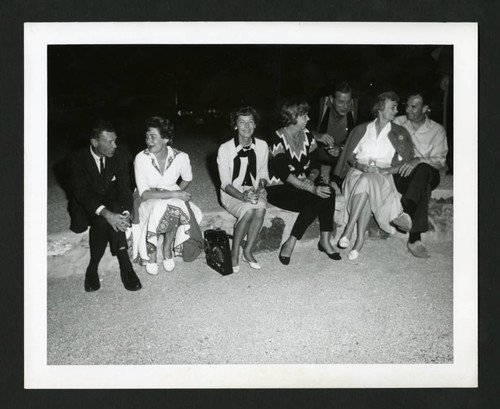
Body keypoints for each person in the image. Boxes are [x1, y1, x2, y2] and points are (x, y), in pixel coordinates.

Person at [334, 91, 414, 260]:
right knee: (364, 181)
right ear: (380, 107)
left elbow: (405, 164)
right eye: (392, 107)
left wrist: (384, 171)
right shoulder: (362, 129)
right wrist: (358, 165)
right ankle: (359, 241)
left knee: (367, 180)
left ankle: (349, 230)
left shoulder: (399, 133)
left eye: (396, 107)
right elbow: (349, 155)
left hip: (382, 175)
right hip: (357, 171)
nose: (396, 111)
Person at [68, 120, 142, 292]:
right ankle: (112, 265)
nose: (115, 145)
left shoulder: (120, 156)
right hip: (87, 206)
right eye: (110, 142)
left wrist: (125, 212)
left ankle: (107, 267)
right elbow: (82, 193)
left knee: (116, 212)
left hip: (113, 203)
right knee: (102, 221)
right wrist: (107, 214)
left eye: (115, 140)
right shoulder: (76, 159)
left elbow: (124, 188)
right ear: (95, 143)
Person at [266, 100, 341, 265]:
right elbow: (283, 172)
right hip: (278, 187)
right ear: (293, 117)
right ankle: (292, 241)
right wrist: (310, 188)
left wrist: (310, 179)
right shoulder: (278, 137)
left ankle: (325, 240)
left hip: (301, 184)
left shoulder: (307, 135)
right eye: (304, 115)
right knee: (317, 196)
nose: (308, 119)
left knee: (328, 191)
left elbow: (315, 166)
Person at [132, 116, 203, 274]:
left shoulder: (181, 157)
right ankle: (150, 254)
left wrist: (176, 192)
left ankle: (166, 249)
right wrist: (175, 193)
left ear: (166, 139)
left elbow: (187, 179)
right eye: (147, 136)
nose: (148, 141)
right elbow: (144, 193)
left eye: (153, 136)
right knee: (164, 206)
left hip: (171, 195)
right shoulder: (141, 158)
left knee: (175, 206)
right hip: (148, 197)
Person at [393, 92, 448, 258]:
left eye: (413, 106)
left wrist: (418, 160)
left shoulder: (437, 130)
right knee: (421, 185)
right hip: (403, 175)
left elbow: (439, 161)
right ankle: (414, 238)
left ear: (425, 109)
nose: (408, 110)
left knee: (423, 169)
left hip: (430, 174)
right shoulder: (398, 122)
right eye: (407, 105)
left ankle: (408, 212)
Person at [217, 107, 269, 273]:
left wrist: (260, 187)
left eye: (250, 122)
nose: (247, 126)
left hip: (253, 190)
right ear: (235, 126)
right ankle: (234, 253)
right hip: (231, 193)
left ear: (255, 125)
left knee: (260, 208)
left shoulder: (262, 145)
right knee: (248, 210)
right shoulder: (225, 149)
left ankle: (248, 251)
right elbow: (225, 183)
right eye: (242, 122)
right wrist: (242, 196)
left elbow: (263, 172)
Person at [309, 81, 357, 185]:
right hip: (318, 154)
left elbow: (359, 139)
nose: (345, 106)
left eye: (348, 102)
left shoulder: (356, 109)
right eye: (340, 102)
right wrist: (316, 135)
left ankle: (341, 181)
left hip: (342, 156)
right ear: (331, 99)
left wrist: (340, 148)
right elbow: (300, 128)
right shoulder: (319, 105)